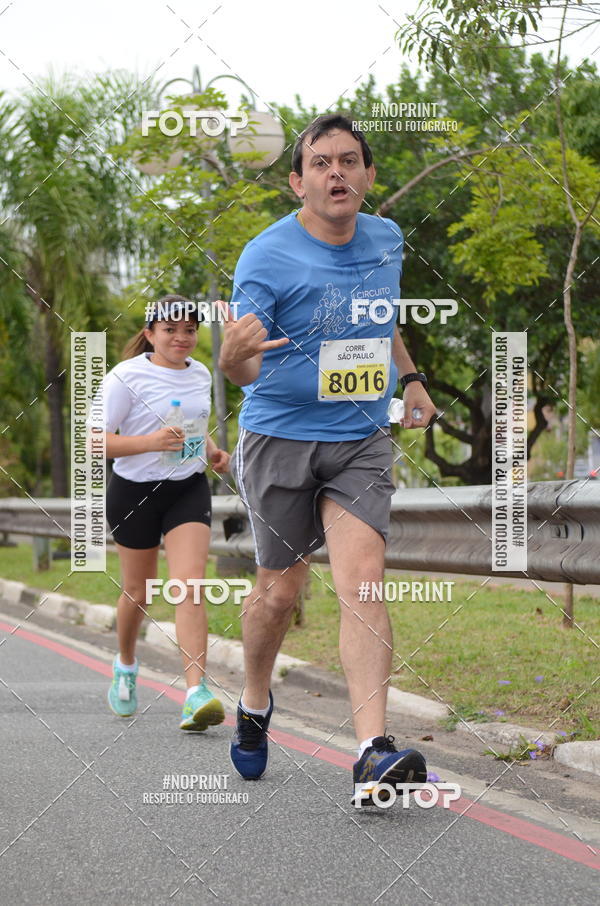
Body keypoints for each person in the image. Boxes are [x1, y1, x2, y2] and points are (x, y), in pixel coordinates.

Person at [219, 114, 437, 803]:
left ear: (368, 175)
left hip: (360, 437)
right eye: (320, 163)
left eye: (348, 160)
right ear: (298, 182)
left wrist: (410, 378)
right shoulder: (265, 257)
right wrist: (229, 359)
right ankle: (255, 699)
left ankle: (372, 752)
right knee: (278, 594)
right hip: (279, 437)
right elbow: (245, 368)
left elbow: (381, 315)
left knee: (363, 582)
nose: (336, 172)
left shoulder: (387, 238)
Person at [98, 295, 230, 730]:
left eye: (189, 330)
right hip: (133, 492)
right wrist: (149, 443)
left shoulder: (201, 373)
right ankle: (125, 664)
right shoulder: (126, 376)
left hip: (186, 488)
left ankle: (195, 693)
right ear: (150, 333)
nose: (181, 337)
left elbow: (194, 426)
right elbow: (94, 440)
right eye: (170, 329)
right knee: (138, 591)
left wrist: (212, 451)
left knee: (189, 586)